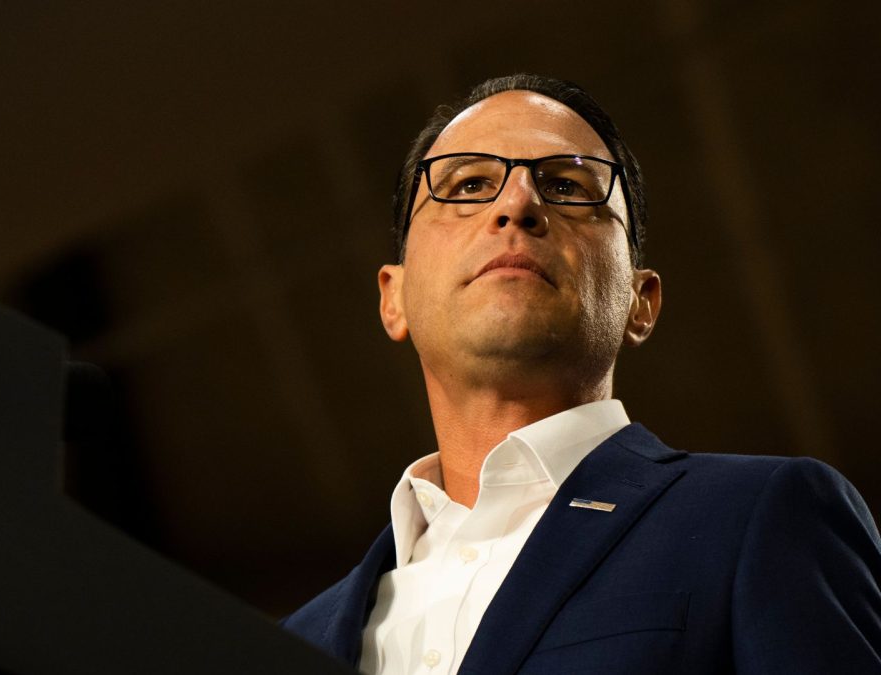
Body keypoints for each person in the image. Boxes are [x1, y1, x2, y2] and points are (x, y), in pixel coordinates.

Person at [280, 74, 881, 674]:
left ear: (639, 301)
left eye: (566, 186)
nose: (517, 204)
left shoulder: (761, 517)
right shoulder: (287, 642)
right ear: (396, 297)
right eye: (468, 185)